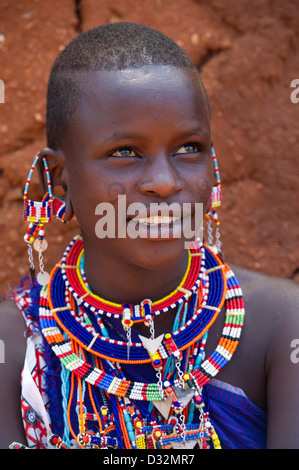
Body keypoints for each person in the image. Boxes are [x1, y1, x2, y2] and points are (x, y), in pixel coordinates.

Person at [0, 22, 299, 450]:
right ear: (58, 179)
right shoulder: (14, 348)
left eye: (188, 148)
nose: (163, 182)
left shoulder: (281, 325)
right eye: (125, 153)